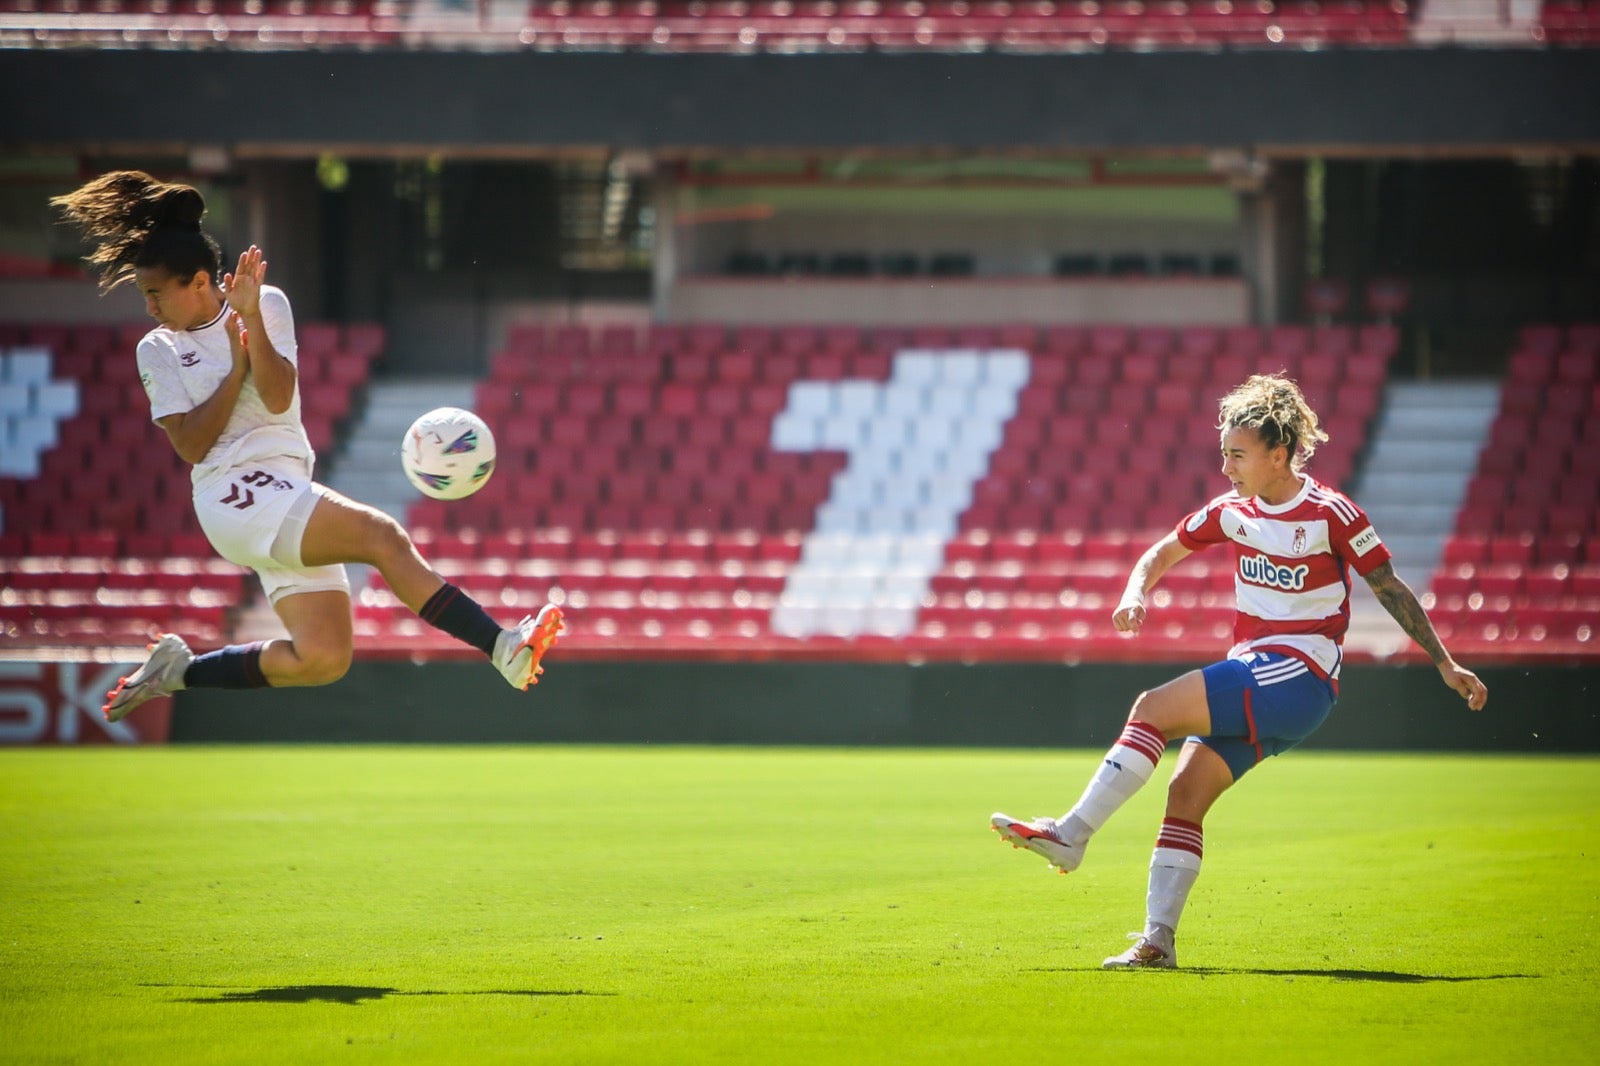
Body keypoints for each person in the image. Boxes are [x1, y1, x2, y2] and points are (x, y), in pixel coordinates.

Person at [990, 372, 1488, 969]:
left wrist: (1444, 662)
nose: (1225, 467)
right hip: (1258, 672)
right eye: (1224, 453)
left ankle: (1071, 834)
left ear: (1279, 455)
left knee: (1152, 708)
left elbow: (1389, 586)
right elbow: (1163, 551)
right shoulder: (1232, 511)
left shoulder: (1331, 514)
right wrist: (1134, 591)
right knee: (1185, 791)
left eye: (1237, 454)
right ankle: (1157, 942)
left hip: (1300, 675)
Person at [51, 171, 564, 721]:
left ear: (198, 281)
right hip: (229, 492)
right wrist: (235, 370)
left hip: (285, 486)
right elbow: (192, 446)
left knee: (323, 658)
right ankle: (501, 646)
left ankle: (179, 671)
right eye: (145, 295)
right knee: (381, 535)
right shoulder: (157, 350)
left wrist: (250, 319)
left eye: (155, 293)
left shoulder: (265, 304)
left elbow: (277, 398)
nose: (150, 308)